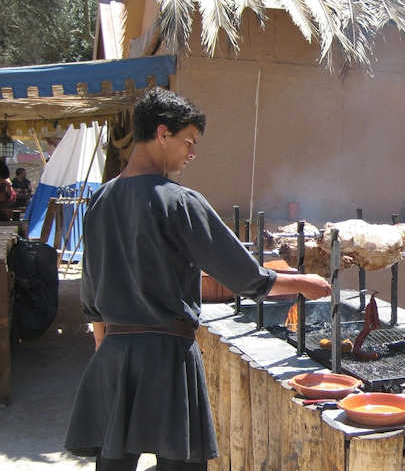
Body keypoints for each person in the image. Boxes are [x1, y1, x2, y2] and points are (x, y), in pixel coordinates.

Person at [65, 88, 331, 470]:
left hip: (115, 353)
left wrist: (106, 348)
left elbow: (90, 286)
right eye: (188, 142)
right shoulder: (181, 202)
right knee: (180, 465)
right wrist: (304, 283)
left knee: (115, 463)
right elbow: (246, 278)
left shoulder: (101, 200)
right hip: (168, 357)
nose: (192, 153)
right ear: (161, 134)